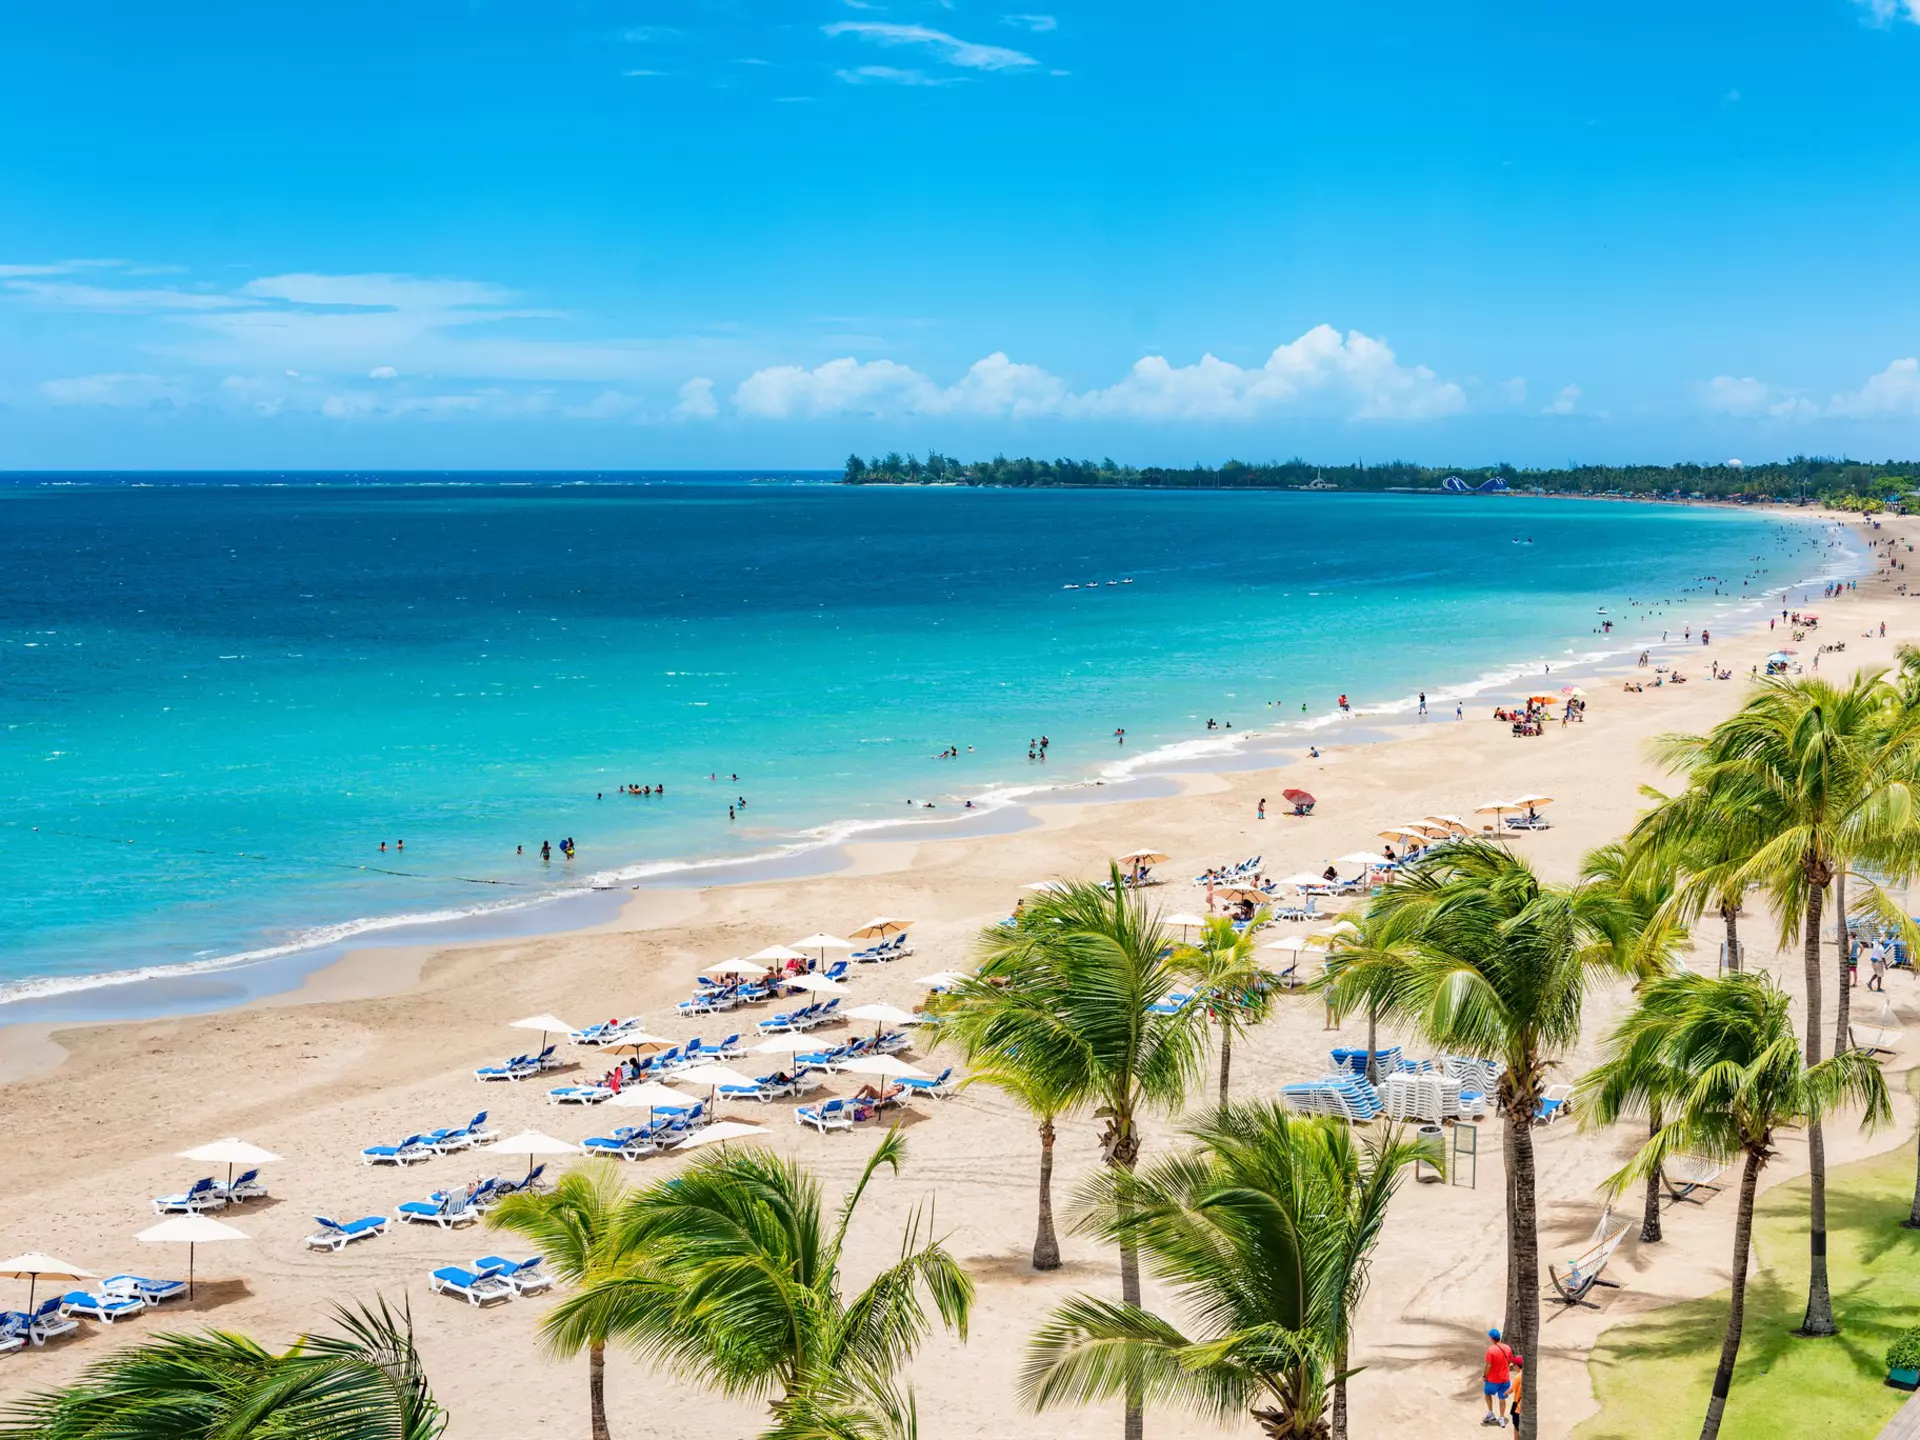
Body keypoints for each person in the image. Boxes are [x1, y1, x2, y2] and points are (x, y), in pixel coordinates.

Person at [1482, 1327, 1514, 1427]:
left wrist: (1484, 1375)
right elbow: (1510, 1362)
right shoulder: (1507, 1348)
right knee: (1502, 1399)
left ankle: (1491, 1413)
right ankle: (1501, 1418)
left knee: (1487, 1393)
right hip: (1505, 1379)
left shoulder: (1491, 1350)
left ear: (1492, 1339)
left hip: (1492, 1380)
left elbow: (1488, 1365)